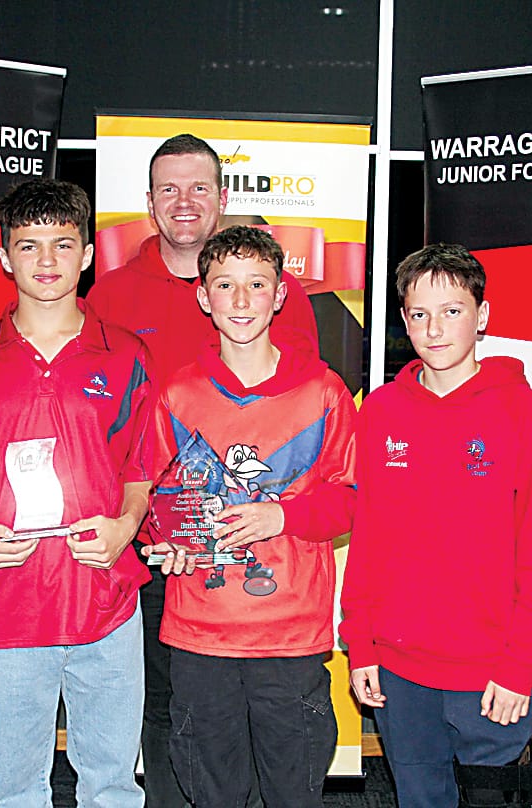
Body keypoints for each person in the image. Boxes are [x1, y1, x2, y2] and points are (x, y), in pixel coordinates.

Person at [87, 132, 319, 807]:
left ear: (222, 197)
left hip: (259, 550)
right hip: (164, 548)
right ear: (149, 202)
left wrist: (276, 513)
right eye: (168, 188)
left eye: (198, 187)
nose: (183, 201)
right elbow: (101, 424)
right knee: (172, 710)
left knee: (265, 719)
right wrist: (137, 525)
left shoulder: (285, 295)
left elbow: (300, 420)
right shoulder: (111, 294)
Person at [0, 179, 152, 807]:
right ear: (5, 257)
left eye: (63, 245)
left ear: (87, 254)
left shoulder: (127, 355)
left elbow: (142, 465)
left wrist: (125, 526)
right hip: (7, 601)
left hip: (103, 596)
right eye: (29, 247)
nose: (48, 262)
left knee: (111, 780)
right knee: (15, 783)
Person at [340, 243, 532, 808]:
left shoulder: (520, 412)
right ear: (403, 321)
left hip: (491, 674)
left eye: (452, 311)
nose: (434, 329)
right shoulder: (384, 411)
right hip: (399, 671)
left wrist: (520, 665)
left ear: (482, 317)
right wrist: (361, 644)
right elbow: (368, 539)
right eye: (419, 314)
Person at [142, 225, 356, 807]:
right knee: (211, 790)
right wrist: (166, 543)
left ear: (280, 294)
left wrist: (279, 518)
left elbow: (351, 498)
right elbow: (154, 504)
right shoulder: (178, 394)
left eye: (257, 285)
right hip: (199, 635)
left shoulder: (324, 392)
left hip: (289, 635)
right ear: (203, 297)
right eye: (226, 286)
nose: (241, 301)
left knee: (293, 789)